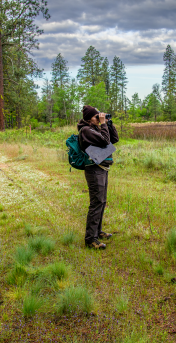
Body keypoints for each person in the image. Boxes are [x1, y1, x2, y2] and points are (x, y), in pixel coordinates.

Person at [77, 105, 119, 249]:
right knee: (96, 202)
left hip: (102, 168)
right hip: (94, 170)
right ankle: (90, 239)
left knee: (102, 201)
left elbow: (114, 139)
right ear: (90, 119)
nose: (99, 118)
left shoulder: (94, 128)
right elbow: (105, 141)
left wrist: (108, 124)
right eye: (97, 117)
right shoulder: (86, 130)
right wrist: (102, 124)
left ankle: (98, 231)